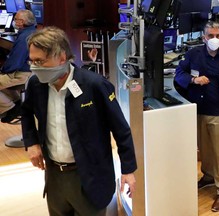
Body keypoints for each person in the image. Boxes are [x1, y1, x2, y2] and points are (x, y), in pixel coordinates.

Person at [21, 26, 137, 215]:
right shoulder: (36, 84)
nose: (34, 67)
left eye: (41, 61)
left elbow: (121, 129)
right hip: (55, 177)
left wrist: (128, 170)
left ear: (62, 58)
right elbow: (25, 112)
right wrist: (31, 143)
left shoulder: (95, 85)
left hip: (90, 177)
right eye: (32, 61)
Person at [174, 21, 219, 212]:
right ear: (204, 37)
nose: (214, 39)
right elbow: (179, 72)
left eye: (218, 36)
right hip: (198, 109)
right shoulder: (194, 54)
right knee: (204, 147)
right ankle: (208, 176)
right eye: (210, 36)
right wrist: (193, 80)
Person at [0, 9, 36, 123]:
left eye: (15, 19)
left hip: (23, 74)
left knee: (3, 77)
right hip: (30, 71)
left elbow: (15, 62)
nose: (14, 21)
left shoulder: (24, 38)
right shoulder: (31, 32)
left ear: (22, 22)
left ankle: (11, 108)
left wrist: (3, 70)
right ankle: (17, 102)